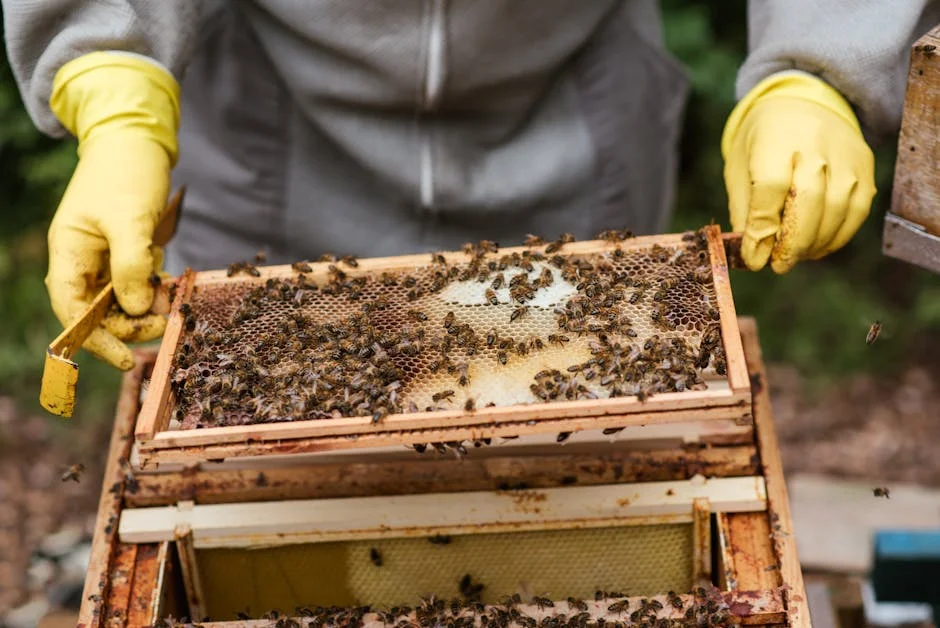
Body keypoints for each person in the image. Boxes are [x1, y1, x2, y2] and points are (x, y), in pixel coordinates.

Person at [3, 1, 937, 371]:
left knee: (593, 445)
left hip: (575, 101)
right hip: (266, 128)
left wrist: (816, 61)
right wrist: (110, 75)